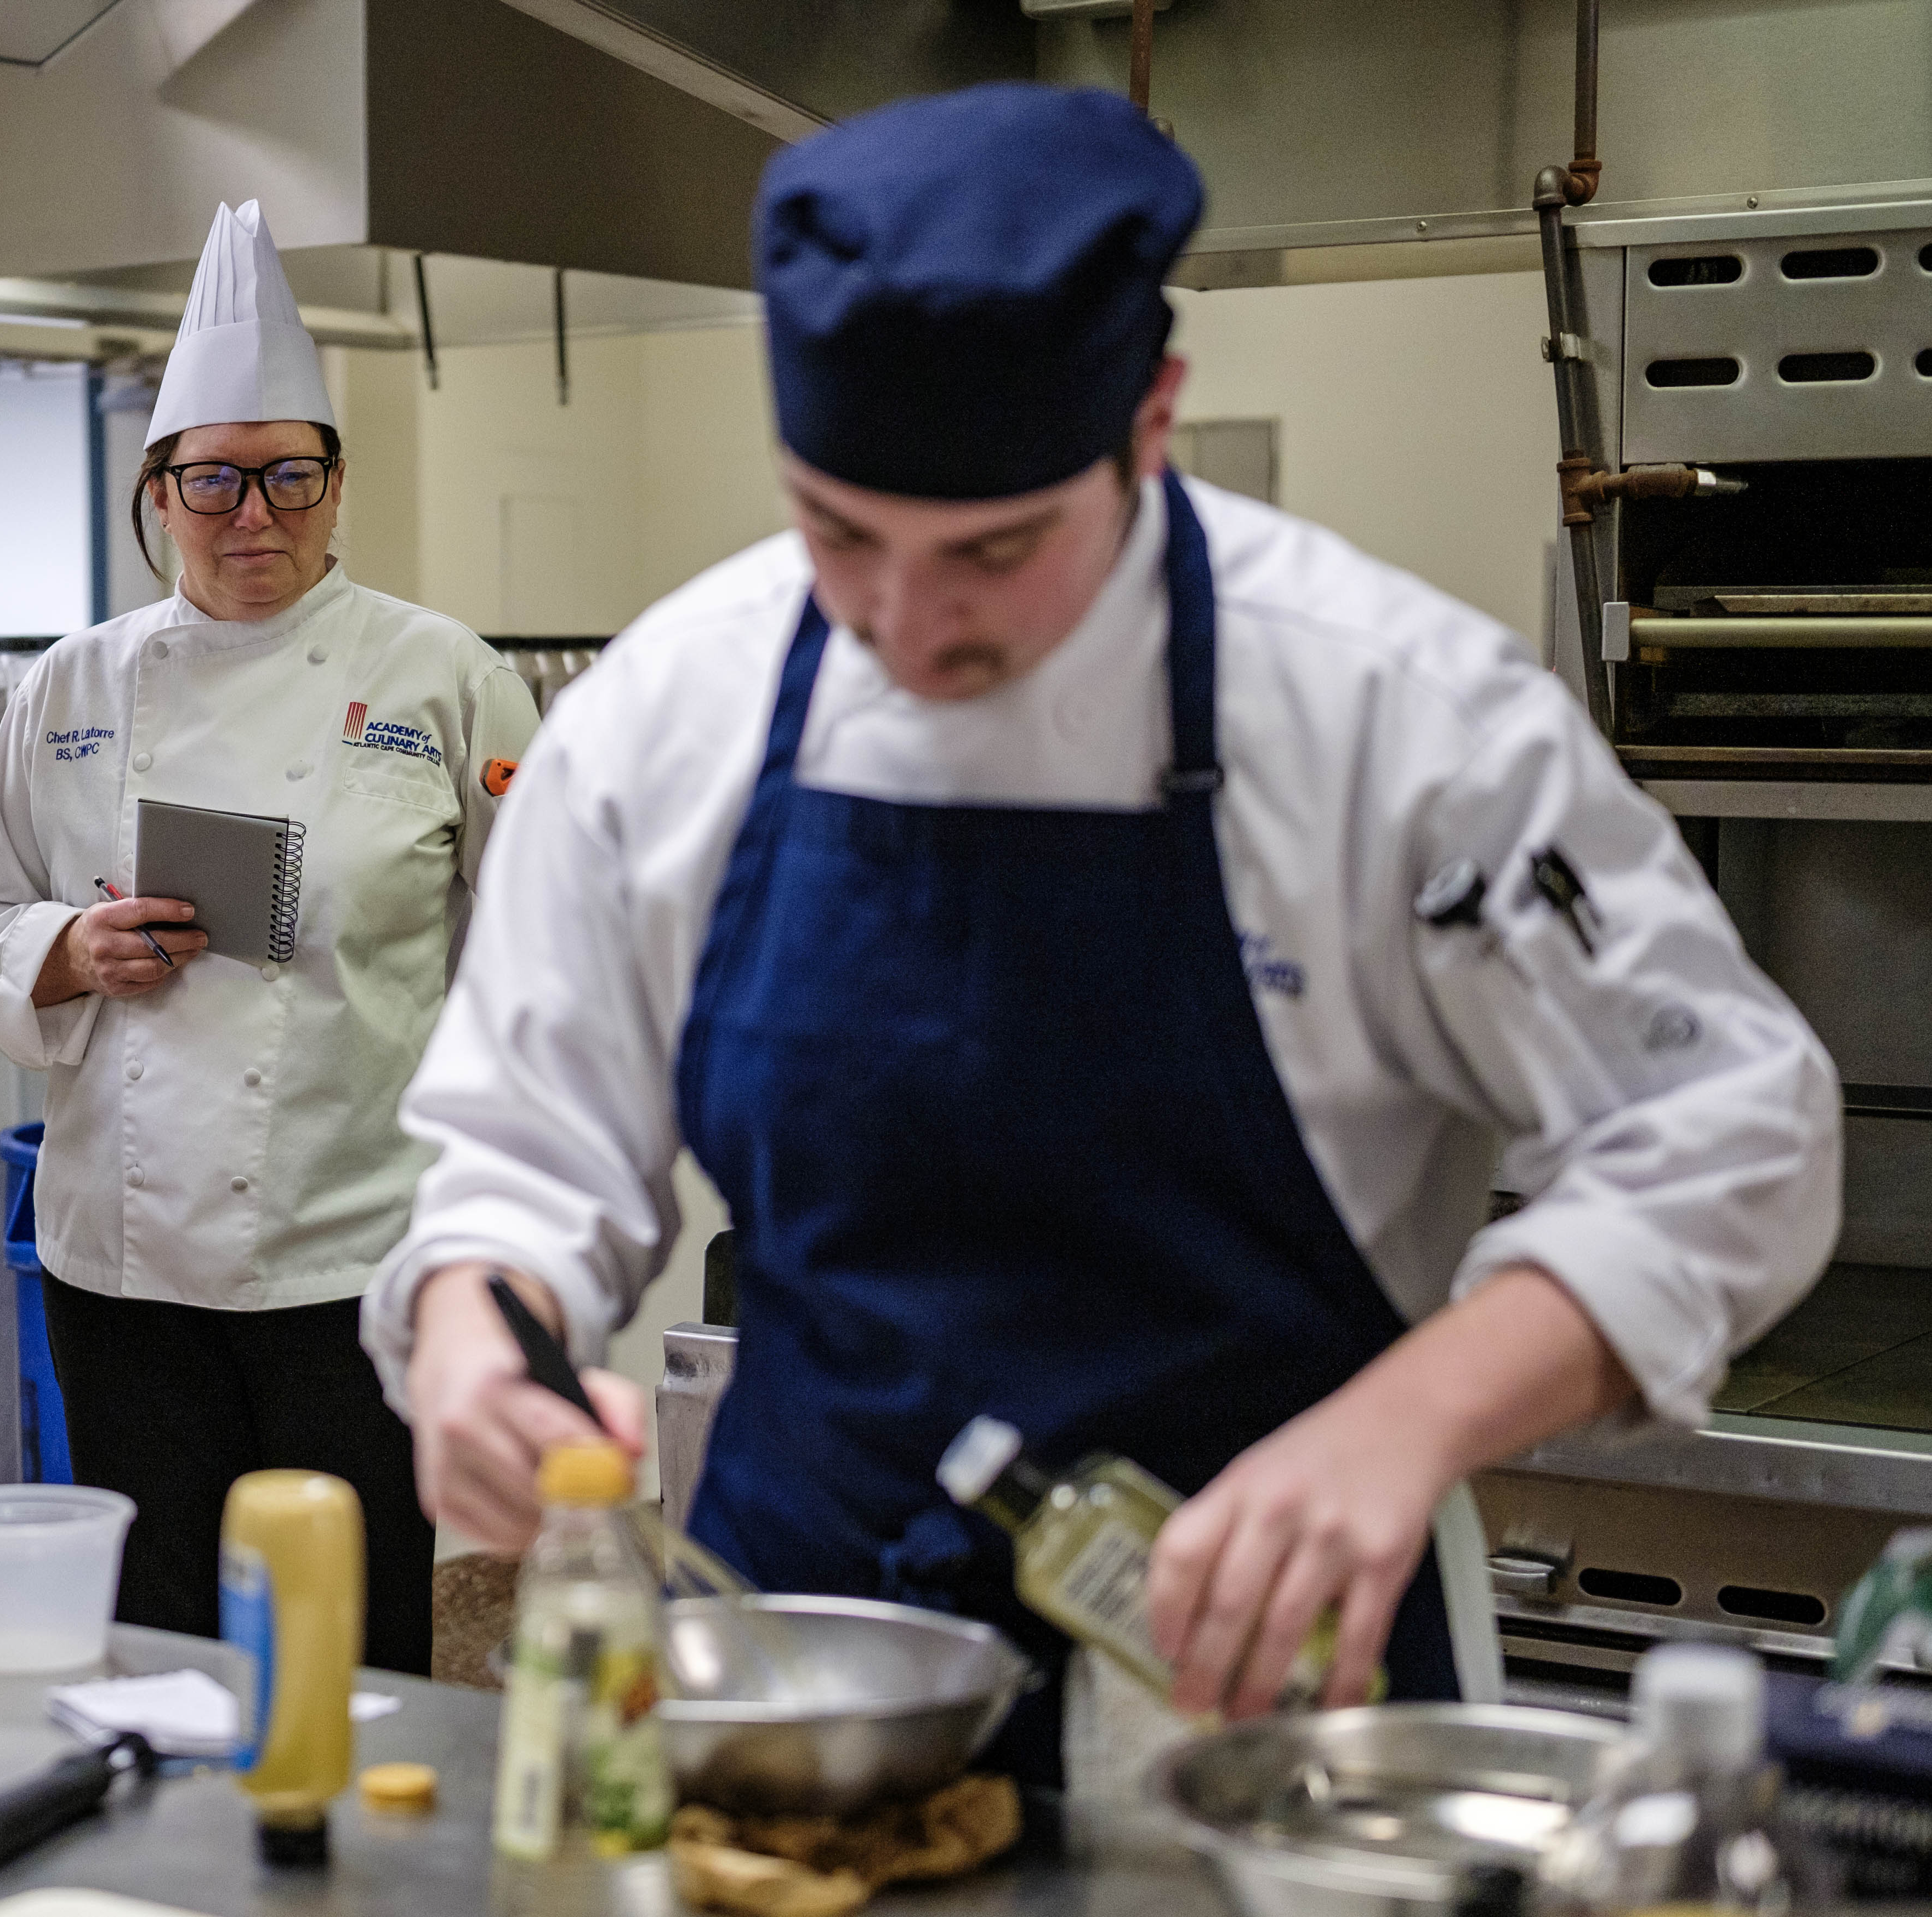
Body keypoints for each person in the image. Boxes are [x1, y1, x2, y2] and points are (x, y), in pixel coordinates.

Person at [363, 84, 1840, 1784]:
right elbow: (522, 1153)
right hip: (807, 1661)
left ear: (1152, 424)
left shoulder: (1398, 718)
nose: (911, 623)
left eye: (994, 551)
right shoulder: (663, 716)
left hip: (1266, 1671)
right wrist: (483, 1328)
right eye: (840, 535)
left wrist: (1410, 1422)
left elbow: (1733, 1130)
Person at [0, 201, 537, 1676]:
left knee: (359, 1632)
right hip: (120, 1275)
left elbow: (535, 968)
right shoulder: (70, 684)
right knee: (157, 1638)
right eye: (214, 481)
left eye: (287, 477)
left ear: (336, 487)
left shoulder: (443, 677)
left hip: (356, 1254)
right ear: (160, 491)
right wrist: (72, 953)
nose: (252, 514)